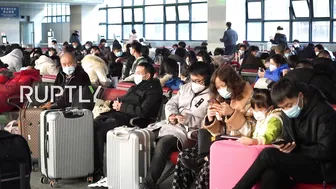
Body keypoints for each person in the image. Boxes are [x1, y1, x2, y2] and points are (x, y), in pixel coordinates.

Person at [234, 78, 336, 189]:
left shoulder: (324, 112)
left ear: (300, 96)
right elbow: (289, 137)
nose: (287, 110)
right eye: (282, 107)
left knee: (268, 154)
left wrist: (297, 148)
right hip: (299, 160)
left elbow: (327, 151)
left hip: (323, 168)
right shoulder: (287, 113)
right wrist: (285, 144)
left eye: (289, 105)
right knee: (271, 173)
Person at [172, 65, 255, 189]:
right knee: (183, 156)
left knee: (208, 167)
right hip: (218, 142)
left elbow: (251, 130)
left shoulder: (250, 99)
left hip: (237, 144)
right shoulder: (221, 98)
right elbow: (219, 131)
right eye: (218, 87)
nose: (221, 89)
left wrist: (232, 114)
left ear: (232, 82)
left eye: (223, 85)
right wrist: (211, 118)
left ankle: (205, 160)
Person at [140, 62, 213, 189]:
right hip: (170, 125)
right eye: (193, 79)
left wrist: (187, 120)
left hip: (189, 132)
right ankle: (134, 176)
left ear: (206, 78)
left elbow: (208, 122)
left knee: (163, 143)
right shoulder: (185, 88)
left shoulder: (212, 95)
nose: (195, 83)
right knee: (141, 136)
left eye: (198, 80)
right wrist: (171, 115)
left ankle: (148, 184)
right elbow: (171, 103)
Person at [92, 63, 163, 181]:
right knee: (94, 123)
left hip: (133, 119)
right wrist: (115, 103)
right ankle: (90, 166)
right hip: (119, 114)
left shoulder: (153, 91)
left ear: (147, 75)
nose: (136, 75)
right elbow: (124, 99)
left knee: (99, 129)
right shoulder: (136, 86)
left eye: (139, 73)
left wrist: (122, 107)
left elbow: (143, 111)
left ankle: (98, 171)